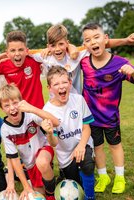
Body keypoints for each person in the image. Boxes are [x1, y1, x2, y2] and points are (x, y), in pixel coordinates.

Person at [80, 22, 134, 194]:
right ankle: (103, 177)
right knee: (98, 147)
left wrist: (133, 72)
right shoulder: (84, 62)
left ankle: (119, 177)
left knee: (115, 146)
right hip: (90, 117)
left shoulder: (120, 63)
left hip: (110, 117)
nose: (93, 42)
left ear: (106, 39)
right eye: (88, 40)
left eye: (97, 37)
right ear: (85, 45)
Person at [31, 24, 134, 93]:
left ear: (67, 43)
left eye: (61, 44)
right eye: (53, 45)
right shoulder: (44, 55)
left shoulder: (77, 53)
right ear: (48, 46)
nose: (57, 49)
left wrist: (125, 41)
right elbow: (24, 51)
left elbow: (103, 43)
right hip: (56, 106)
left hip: (77, 103)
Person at [0, 83, 60, 200]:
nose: (12, 108)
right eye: (6, 105)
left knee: (42, 162)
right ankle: (46, 187)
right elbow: (14, 159)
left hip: (44, 151)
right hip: (29, 164)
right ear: (1, 108)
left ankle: (51, 195)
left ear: (21, 102)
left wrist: (32, 108)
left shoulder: (30, 116)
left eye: (15, 103)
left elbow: (56, 122)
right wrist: (26, 186)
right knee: (38, 195)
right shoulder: (5, 130)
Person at [41, 66, 96, 200]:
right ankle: (75, 177)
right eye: (56, 84)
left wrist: (81, 145)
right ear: (49, 88)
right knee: (77, 184)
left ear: (70, 83)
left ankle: (90, 196)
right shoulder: (47, 110)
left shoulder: (78, 99)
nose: (61, 87)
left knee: (87, 165)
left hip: (83, 145)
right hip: (66, 157)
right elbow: (54, 143)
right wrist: (49, 133)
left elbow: (86, 127)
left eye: (65, 82)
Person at [0, 30, 45, 109]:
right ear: (7, 53)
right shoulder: (3, 65)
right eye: (13, 50)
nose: (17, 54)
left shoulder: (34, 60)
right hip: (19, 112)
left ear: (27, 51)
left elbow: (51, 50)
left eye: (20, 49)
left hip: (38, 111)